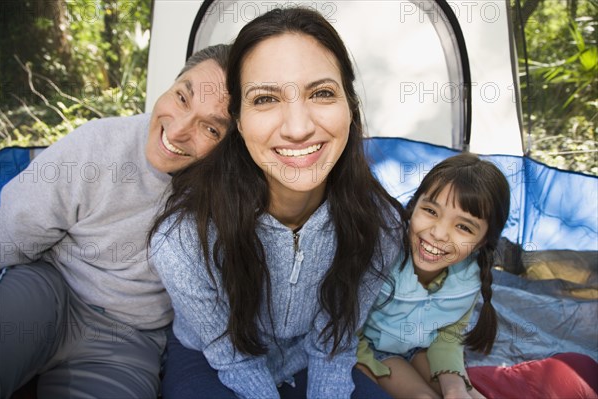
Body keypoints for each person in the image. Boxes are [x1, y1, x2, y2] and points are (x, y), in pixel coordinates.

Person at [149, 7, 405, 399]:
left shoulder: (381, 226)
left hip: (311, 357)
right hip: (210, 357)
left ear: (350, 106)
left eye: (321, 93)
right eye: (265, 98)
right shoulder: (182, 240)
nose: (298, 127)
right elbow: (230, 355)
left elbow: (333, 341)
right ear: (238, 120)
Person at [0, 44, 231, 398]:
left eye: (211, 129)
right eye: (182, 98)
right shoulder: (98, 145)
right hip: (51, 292)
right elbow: (12, 229)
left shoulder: (227, 199)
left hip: (129, 338)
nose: (180, 129)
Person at [357, 153, 511, 399]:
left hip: (421, 348)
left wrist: (456, 388)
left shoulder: (468, 277)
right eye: (430, 210)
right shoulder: (380, 256)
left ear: (483, 242)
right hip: (372, 349)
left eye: (463, 227)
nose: (439, 233)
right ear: (413, 206)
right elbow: (344, 332)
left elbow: (448, 336)